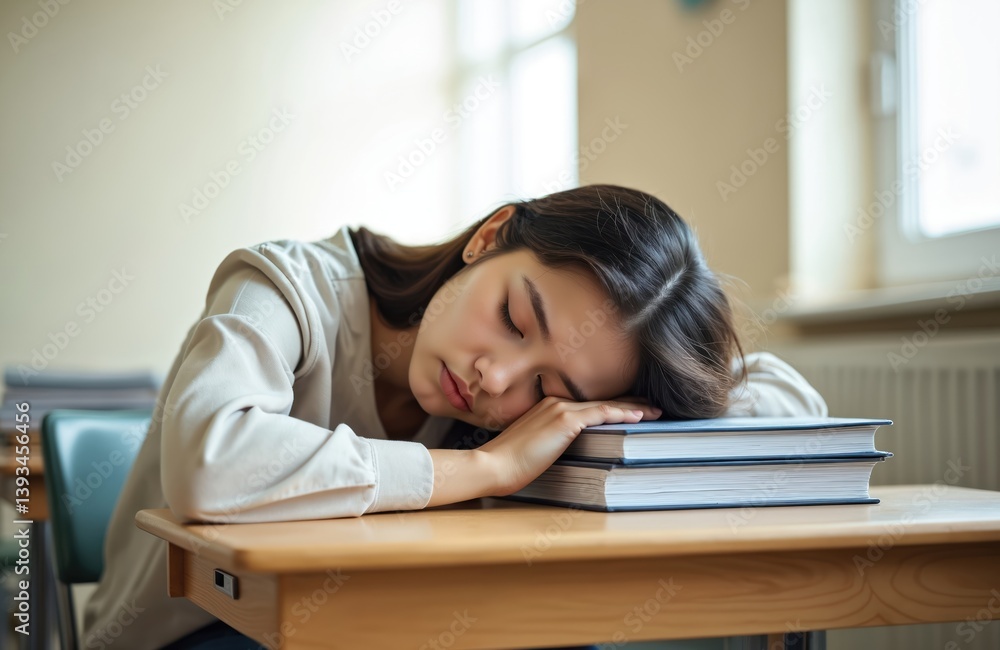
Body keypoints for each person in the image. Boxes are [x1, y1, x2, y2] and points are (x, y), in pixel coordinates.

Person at [81, 184, 827, 649]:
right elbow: (210, 464)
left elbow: (785, 396)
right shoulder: (287, 287)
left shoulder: (538, 409)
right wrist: (486, 467)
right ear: (489, 236)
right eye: (511, 316)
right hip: (197, 632)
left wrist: (641, 412)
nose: (495, 378)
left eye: (549, 387)